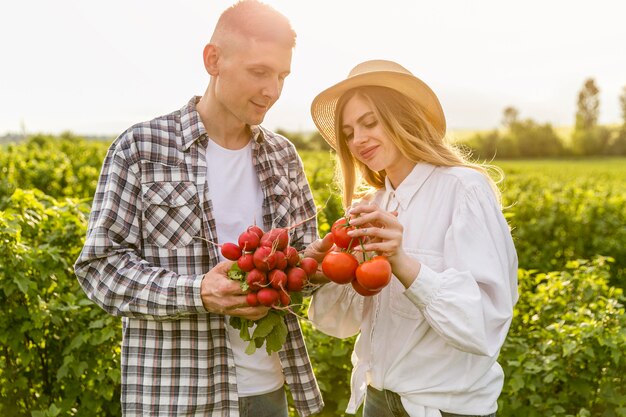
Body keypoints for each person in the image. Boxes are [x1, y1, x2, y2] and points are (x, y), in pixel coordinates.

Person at [74, 1, 324, 416]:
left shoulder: (283, 156)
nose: (273, 91)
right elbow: (100, 269)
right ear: (213, 60)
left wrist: (323, 259)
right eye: (259, 72)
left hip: (268, 389)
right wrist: (197, 292)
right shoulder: (141, 148)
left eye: (282, 76)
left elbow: (302, 271)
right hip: (176, 397)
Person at [305, 60, 518, 417]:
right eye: (348, 132)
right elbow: (339, 324)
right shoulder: (374, 205)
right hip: (377, 400)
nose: (358, 140)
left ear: (404, 118)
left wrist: (403, 263)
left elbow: (485, 324)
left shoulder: (463, 190)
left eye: (370, 122)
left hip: (444, 408)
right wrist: (325, 274)